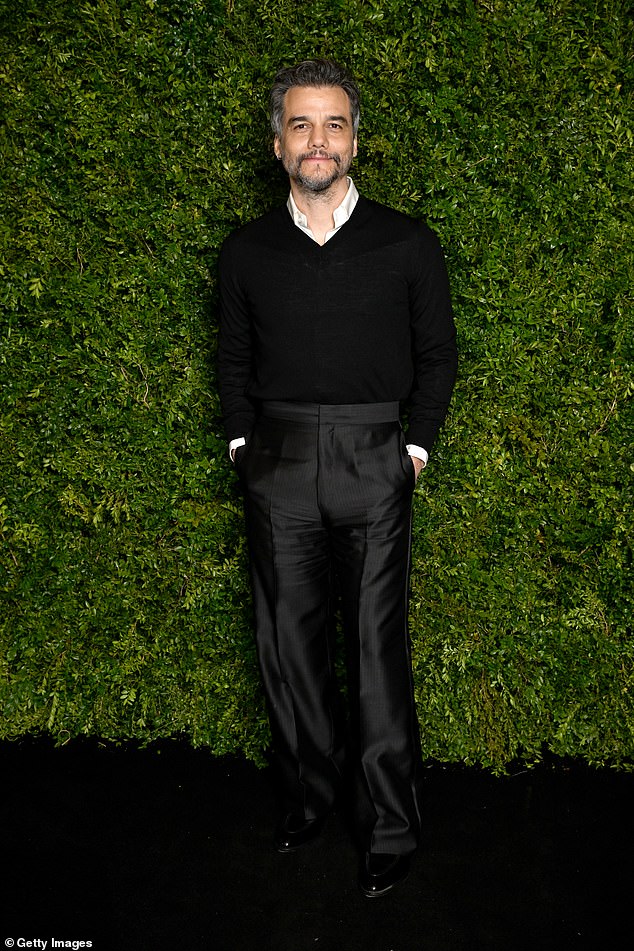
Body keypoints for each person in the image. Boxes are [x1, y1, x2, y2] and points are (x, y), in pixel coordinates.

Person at [217, 59, 457, 898]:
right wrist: (244, 447)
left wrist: (412, 451)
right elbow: (233, 359)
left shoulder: (407, 243)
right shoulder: (246, 250)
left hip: (372, 458)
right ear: (277, 143)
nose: (317, 140)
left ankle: (389, 825)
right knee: (286, 646)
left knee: (374, 649)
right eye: (301, 125)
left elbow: (438, 356)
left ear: (355, 139)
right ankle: (308, 798)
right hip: (278, 461)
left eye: (334, 124)